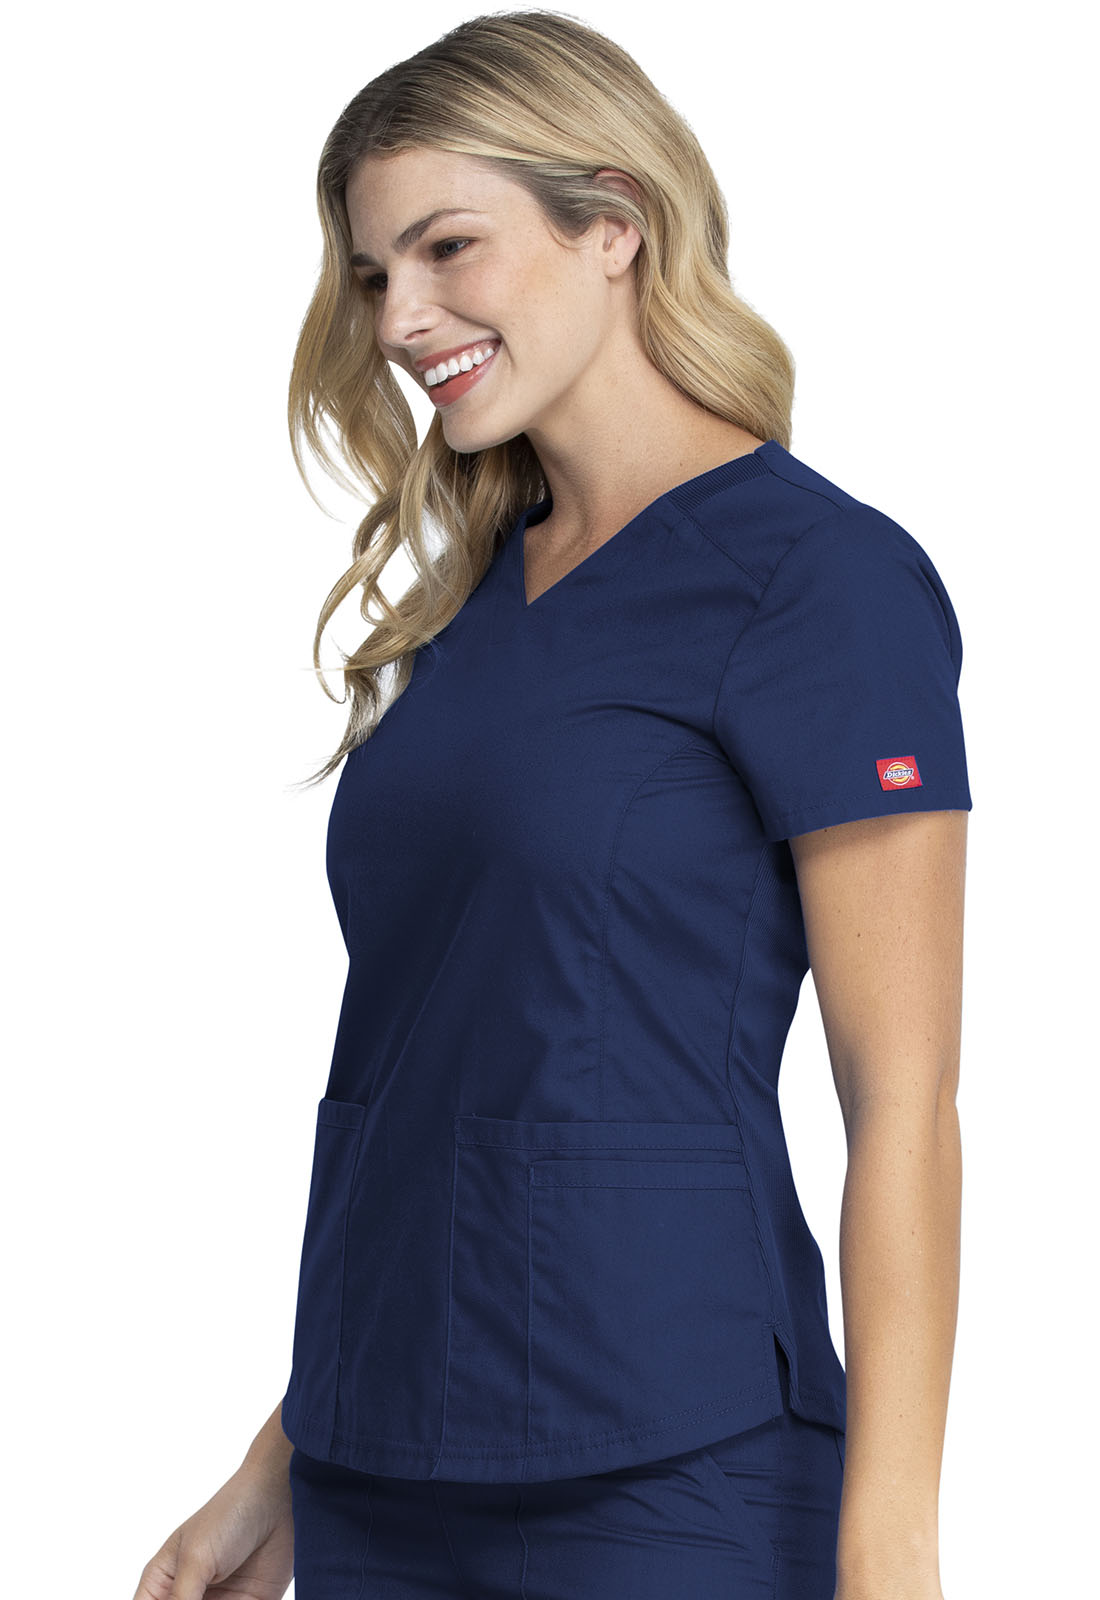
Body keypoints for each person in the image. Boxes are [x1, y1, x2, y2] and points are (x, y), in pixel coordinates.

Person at [134, 11, 972, 1600]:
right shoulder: (466, 607)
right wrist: (278, 1465)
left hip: (671, 1466)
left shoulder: (820, 583)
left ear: (614, 225)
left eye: (449, 247)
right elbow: (435, 1073)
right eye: (374, 274)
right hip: (376, 1469)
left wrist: (893, 1555)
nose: (402, 317)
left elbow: (904, 1102)